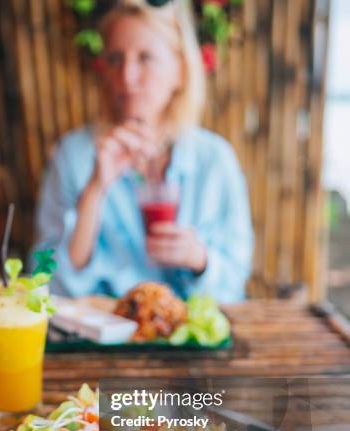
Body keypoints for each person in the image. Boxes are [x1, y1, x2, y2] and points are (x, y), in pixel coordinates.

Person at [33, 0, 254, 303]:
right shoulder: (73, 155)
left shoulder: (214, 160)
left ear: (180, 70)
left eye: (146, 58)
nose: (127, 76)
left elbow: (235, 281)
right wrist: (95, 190)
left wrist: (200, 260)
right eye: (115, 59)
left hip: (189, 341)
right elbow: (45, 279)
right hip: (101, 341)